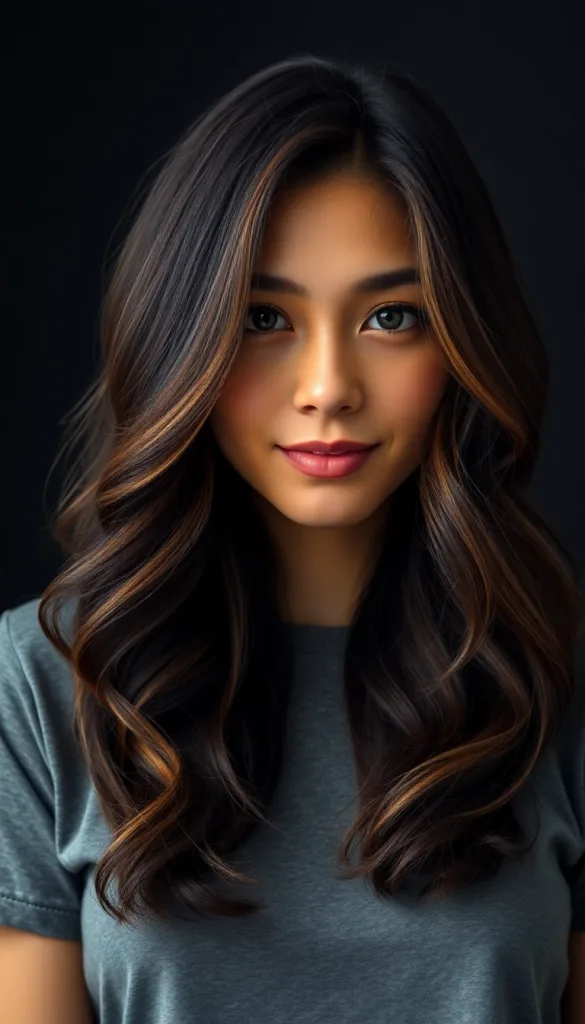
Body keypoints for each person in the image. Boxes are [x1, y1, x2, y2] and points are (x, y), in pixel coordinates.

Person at [1, 54, 584, 1024]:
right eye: (264, 317)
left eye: (392, 317)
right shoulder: (41, 682)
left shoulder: (560, 675)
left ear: (465, 341)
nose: (327, 385)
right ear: (184, 336)